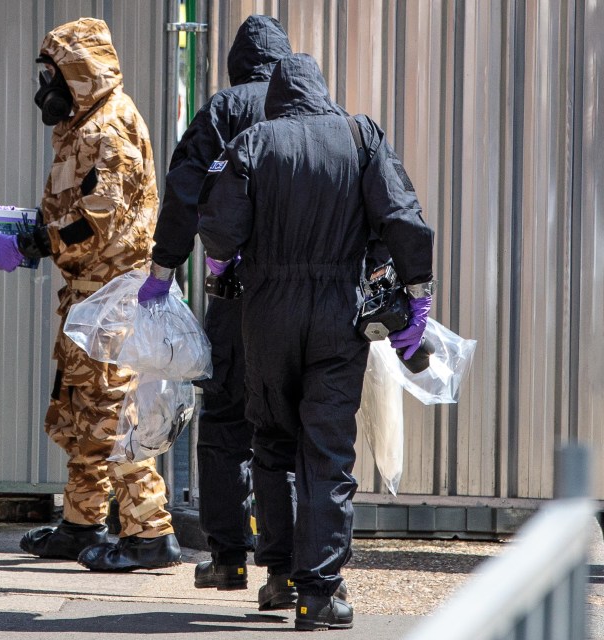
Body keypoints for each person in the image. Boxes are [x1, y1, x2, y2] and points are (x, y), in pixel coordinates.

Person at [197, 53, 434, 631]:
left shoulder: (252, 143)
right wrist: (417, 293)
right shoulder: (359, 135)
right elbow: (402, 216)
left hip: (266, 313)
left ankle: (278, 576)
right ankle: (320, 593)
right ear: (321, 91)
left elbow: (220, 229)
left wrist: (229, 265)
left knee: (273, 443)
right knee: (327, 450)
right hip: (337, 310)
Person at [0, 17, 182, 572]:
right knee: (81, 410)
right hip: (90, 294)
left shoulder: (105, 130)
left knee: (111, 413)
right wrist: (29, 225)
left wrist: (33, 245)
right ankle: (81, 523)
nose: (45, 88)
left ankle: (149, 533)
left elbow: (99, 221)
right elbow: (77, 209)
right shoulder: (84, 123)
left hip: (112, 297)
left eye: (54, 75)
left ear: (79, 74)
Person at [136, 15, 297, 607]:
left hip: (233, 296)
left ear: (235, 65)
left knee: (227, 421)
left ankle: (227, 559)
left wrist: (165, 267)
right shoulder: (308, 108)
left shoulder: (224, 110)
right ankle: (286, 570)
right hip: (300, 300)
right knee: (287, 431)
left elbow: (183, 189)